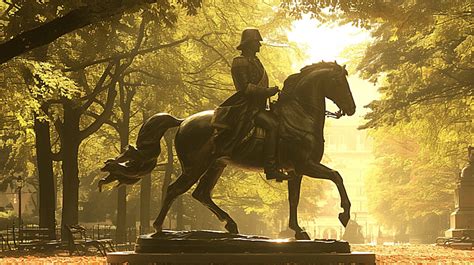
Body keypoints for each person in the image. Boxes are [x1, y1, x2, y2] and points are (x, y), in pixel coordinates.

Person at [212, 28, 289, 181]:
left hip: (258, 106)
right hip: (246, 107)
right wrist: (267, 92)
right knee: (273, 125)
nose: (259, 46)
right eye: (256, 42)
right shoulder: (239, 62)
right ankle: (270, 168)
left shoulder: (256, 61)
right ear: (249, 44)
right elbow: (245, 88)